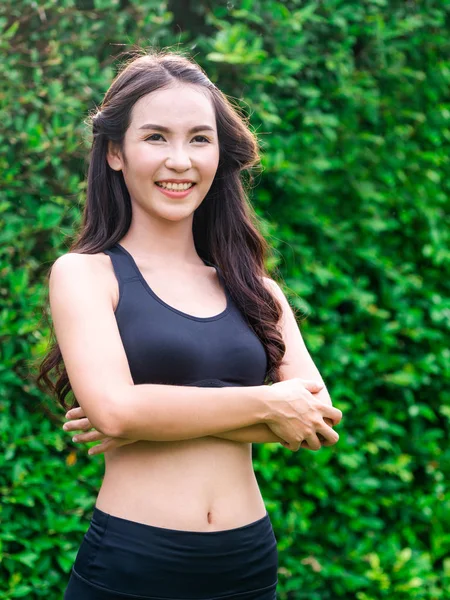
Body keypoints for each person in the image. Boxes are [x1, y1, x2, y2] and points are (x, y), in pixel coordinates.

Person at [37, 48, 342, 600]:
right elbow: (117, 410)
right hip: (134, 563)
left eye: (199, 138)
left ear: (219, 154)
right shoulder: (85, 275)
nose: (180, 160)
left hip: (248, 563)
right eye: (155, 137)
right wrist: (268, 404)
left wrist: (149, 413)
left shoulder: (256, 289)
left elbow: (316, 418)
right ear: (114, 153)